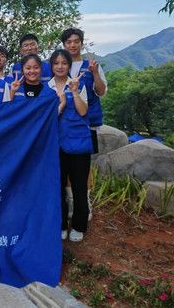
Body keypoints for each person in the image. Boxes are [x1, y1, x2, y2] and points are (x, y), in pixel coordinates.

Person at [61, 27, 108, 220]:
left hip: (87, 123)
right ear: (64, 44)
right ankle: (72, 202)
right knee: (66, 164)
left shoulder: (91, 66)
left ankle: (85, 202)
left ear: (81, 42)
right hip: (65, 123)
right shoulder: (60, 64)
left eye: (76, 41)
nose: (72, 45)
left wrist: (95, 73)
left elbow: (101, 91)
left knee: (84, 166)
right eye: (68, 42)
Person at [48, 49, 92, 242]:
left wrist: (73, 92)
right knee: (57, 186)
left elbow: (83, 111)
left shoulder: (78, 84)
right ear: (51, 66)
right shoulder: (46, 88)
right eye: (56, 63)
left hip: (78, 144)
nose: (60, 66)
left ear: (69, 65)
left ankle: (79, 225)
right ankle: (61, 224)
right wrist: (61, 103)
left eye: (64, 63)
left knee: (79, 187)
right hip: (54, 146)